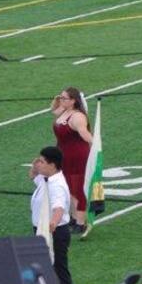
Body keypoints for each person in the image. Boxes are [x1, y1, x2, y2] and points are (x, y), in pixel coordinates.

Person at [30, 145, 74, 284]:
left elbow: (59, 208)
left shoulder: (57, 185)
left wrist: (52, 224)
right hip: (42, 228)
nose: (38, 164)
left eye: (42, 161)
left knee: (59, 267)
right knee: (45, 265)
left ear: (52, 165)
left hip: (54, 231)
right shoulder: (45, 178)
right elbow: (32, 176)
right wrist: (36, 165)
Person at [51, 87, 93, 235]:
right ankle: (74, 218)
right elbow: (53, 111)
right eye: (61, 97)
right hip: (63, 155)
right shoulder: (64, 111)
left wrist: (96, 148)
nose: (61, 100)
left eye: (64, 98)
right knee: (68, 187)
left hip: (76, 156)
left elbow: (86, 135)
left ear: (74, 100)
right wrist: (58, 100)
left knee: (78, 188)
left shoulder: (77, 117)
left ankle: (81, 222)